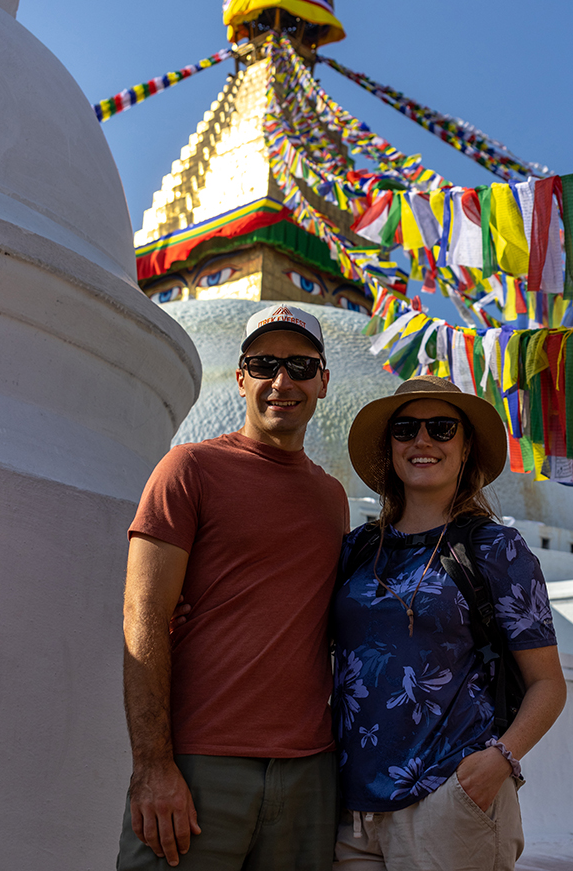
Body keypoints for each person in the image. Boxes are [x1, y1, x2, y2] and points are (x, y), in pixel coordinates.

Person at [117, 303, 349, 871]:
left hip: (308, 770)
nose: (282, 382)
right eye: (265, 364)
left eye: (300, 366)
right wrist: (152, 764)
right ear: (241, 377)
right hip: (200, 763)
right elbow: (143, 614)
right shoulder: (188, 469)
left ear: (323, 381)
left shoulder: (332, 498)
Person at [332, 375, 567, 871]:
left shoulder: (496, 549)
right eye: (405, 430)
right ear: (390, 448)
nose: (422, 441)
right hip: (352, 810)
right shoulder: (357, 550)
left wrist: (498, 761)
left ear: (465, 450)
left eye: (441, 428)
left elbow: (547, 683)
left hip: (450, 799)